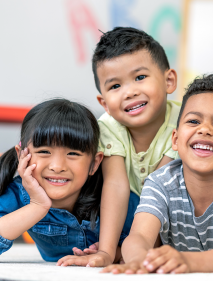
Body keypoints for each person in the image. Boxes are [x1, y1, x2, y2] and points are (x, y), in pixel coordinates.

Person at [102, 74, 213, 274]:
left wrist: (187, 261)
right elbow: (139, 236)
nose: (205, 130)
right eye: (193, 121)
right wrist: (141, 261)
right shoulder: (160, 181)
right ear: (175, 139)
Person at [57, 27, 181, 267]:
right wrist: (105, 251)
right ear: (104, 102)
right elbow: (116, 186)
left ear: (169, 80)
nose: (130, 92)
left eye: (140, 77)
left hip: (175, 208)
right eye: (115, 86)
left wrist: (142, 244)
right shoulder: (107, 127)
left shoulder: (184, 120)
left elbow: (162, 187)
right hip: (128, 211)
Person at [0, 99, 134, 262]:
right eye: (44, 151)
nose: (57, 166)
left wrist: (115, 253)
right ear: (22, 155)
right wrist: (38, 206)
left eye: (73, 154)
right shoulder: (18, 193)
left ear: (94, 163)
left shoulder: (114, 197)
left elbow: (154, 240)